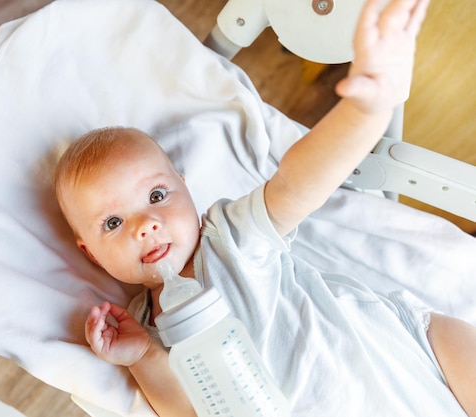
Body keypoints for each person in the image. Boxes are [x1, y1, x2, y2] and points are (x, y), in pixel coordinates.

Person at [55, 0, 476, 415]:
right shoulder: (144, 327)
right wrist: (142, 357)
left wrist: (364, 113)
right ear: (90, 252)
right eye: (112, 222)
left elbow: (297, 184)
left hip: (400, 360)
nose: (145, 225)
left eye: (157, 196)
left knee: (450, 338)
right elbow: (190, 410)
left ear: (186, 189)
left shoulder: (228, 237)